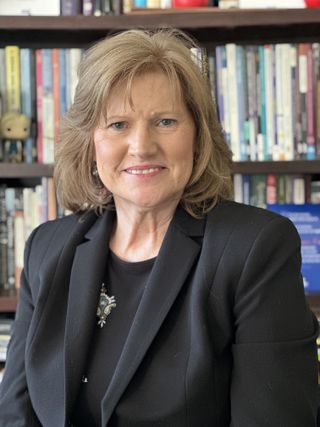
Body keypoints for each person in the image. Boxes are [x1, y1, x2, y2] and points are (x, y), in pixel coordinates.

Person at [0, 28, 318, 427]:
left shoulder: (255, 248)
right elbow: (14, 413)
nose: (141, 146)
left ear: (198, 137)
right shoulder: (47, 247)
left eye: (165, 121)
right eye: (117, 124)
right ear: (90, 142)